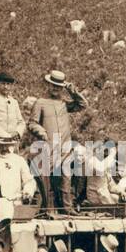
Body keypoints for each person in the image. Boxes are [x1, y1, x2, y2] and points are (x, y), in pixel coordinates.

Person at [29, 69, 87, 211]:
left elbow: (82, 105)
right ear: (48, 85)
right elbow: (31, 123)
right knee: (46, 177)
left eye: (59, 86)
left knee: (66, 178)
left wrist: (73, 91)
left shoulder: (64, 103)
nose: (56, 89)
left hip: (65, 147)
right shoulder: (40, 102)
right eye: (53, 85)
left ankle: (68, 208)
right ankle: (49, 209)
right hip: (49, 146)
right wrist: (41, 132)